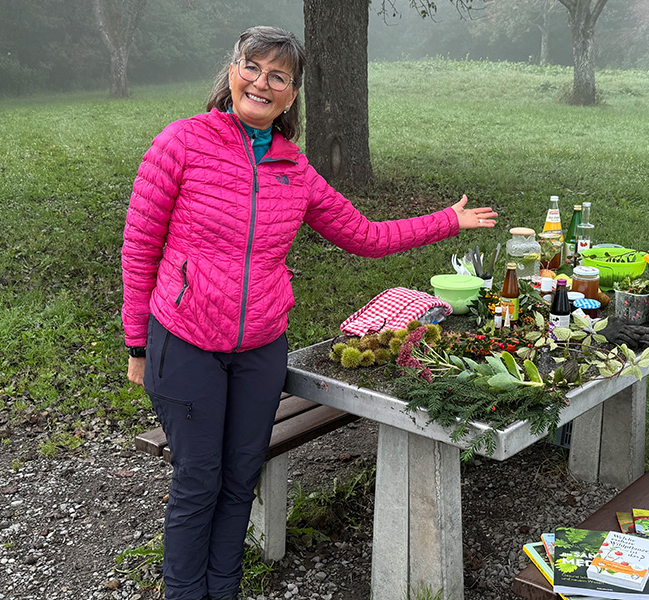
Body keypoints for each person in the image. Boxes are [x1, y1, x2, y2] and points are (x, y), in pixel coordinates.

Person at [121, 25, 497, 600]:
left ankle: (223, 590)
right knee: (199, 480)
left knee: (240, 478)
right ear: (232, 72)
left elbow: (364, 235)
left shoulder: (294, 169)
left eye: (278, 77)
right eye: (252, 67)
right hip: (186, 339)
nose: (261, 83)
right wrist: (137, 345)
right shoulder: (182, 143)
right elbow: (140, 245)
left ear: (292, 96)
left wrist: (446, 221)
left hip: (259, 350)